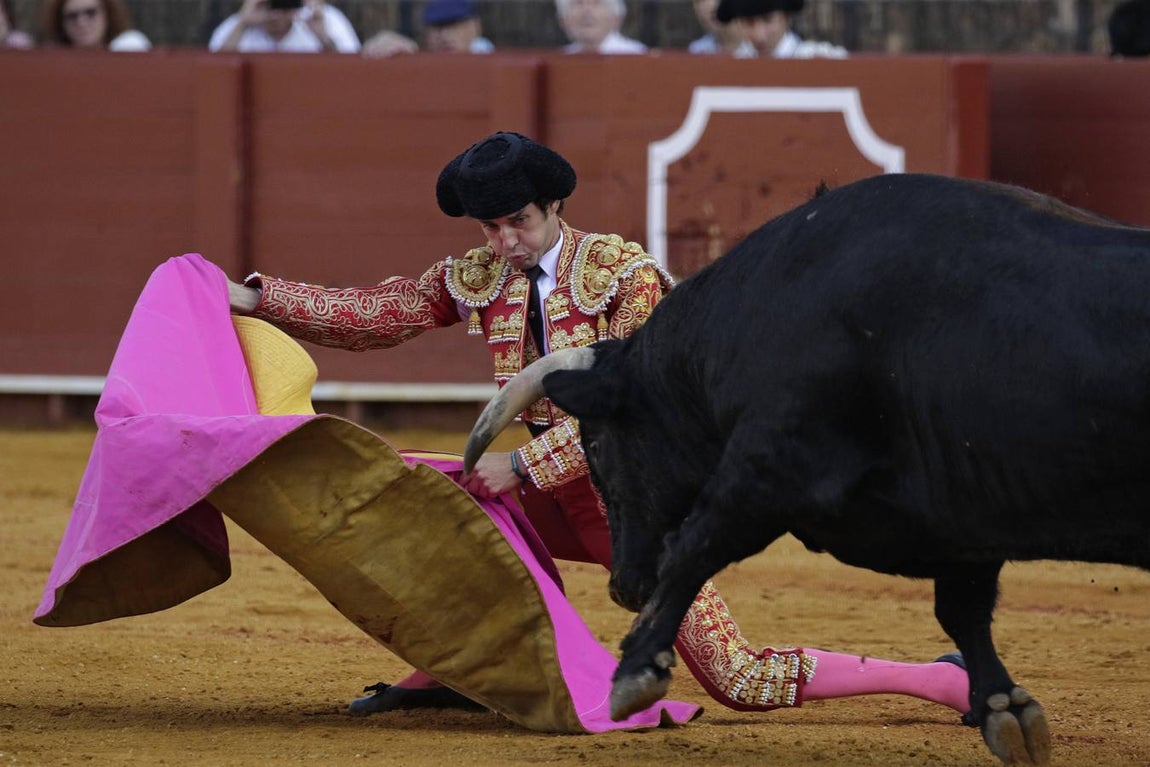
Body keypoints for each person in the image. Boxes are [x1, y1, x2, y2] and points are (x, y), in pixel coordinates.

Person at [226, 131, 970, 718]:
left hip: (643, 504)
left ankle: (938, 680)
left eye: (517, 222)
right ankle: (452, 673)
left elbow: (637, 409)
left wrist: (520, 467)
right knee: (415, 499)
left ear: (553, 208)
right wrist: (257, 299)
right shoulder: (483, 276)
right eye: (491, 227)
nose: (504, 242)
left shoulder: (623, 274)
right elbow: (379, 314)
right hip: (554, 494)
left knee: (735, 675)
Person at [209, 0, 360, 53]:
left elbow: (355, 74)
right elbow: (212, 76)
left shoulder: (327, 19)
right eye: (270, 4)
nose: (275, 14)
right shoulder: (237, 24)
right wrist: (242, 23)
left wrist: (323, 37)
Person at [715, 0, 846, 59]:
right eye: (749, 23)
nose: (760, 35)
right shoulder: (733, 64)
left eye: (768, 20)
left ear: (786, 17)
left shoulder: (817, 57)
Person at [362, 0, 492, 58]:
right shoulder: (412, 53)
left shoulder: (493, 61)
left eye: (453, 24)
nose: (445, 34)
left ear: (474, 27)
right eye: (437, 25)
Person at [41, 0, 150, 51]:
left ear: (107, 14)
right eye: (72, 16)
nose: (81, 22)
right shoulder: (53, 65)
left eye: (90, 12)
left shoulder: (129, 46)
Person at [556, 0, 647, 54]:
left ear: (616, 17)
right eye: (578, 3)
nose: (587, 12)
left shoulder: (637, 55)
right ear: (563, 19)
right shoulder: (558, 60)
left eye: (597, 3)